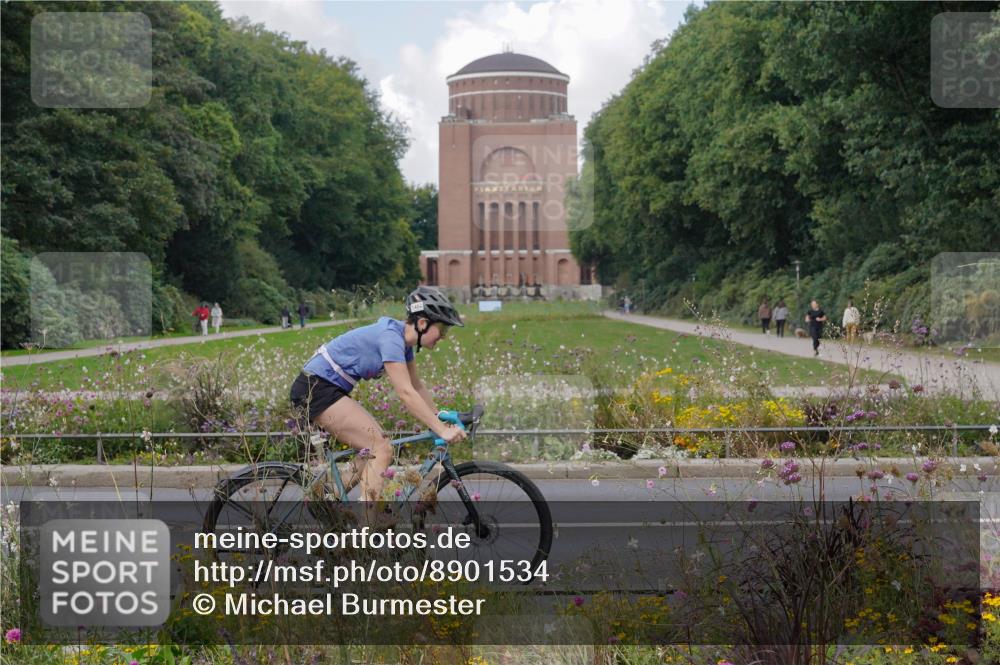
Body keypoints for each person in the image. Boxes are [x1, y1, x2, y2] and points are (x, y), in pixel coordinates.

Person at [290, 287, 467, 518]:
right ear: (423, 323)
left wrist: (438, 416)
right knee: (380, 448)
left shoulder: (404, 343)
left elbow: (416, 386)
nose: (443, 336)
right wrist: (441, 430)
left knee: (370, 449)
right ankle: (366, 530)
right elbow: (405, 392)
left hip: (327, 388)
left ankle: (327, 496)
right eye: (442, 329)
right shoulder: (391, 338)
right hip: (317, 388)